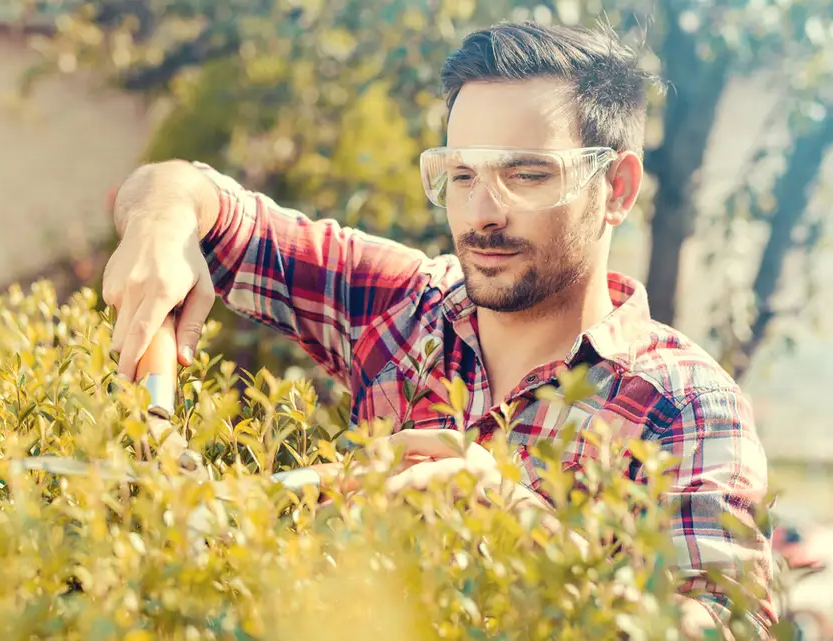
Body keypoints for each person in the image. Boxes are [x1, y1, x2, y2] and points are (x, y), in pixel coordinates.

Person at [102, 20, 775, 639]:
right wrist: (163, 221)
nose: (483, 213)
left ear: (619, 189)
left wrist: (531, 532)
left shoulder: (687, 405)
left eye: (528, 173)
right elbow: (183, 191)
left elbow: (728, 626)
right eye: (461, 174)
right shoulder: (407, 307)